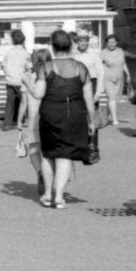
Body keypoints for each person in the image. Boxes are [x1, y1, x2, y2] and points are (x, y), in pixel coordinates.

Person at [28, 29, 95, 209]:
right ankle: (59, 197)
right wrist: (92, 120)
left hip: (51, 113)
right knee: (65, 155)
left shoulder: (46, 67)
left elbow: (39, 93)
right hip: (74, 113)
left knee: (49, 153)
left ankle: (48, 194)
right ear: (71, 45)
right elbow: (89, 97)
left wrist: (28, 83)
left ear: (53, 46)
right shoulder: (81, 68)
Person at [19, 48, 55, 192]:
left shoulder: (29, 77)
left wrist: (19, 122)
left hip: (34, 119)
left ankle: (40, 172)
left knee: (34, 150)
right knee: (49, 151)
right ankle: (51, 179)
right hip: (51, 118)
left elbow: (23, 102)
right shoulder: (53, 77)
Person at [72, 30, 105, 161]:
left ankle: (93, 149)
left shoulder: (94, 54)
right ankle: (79, 149)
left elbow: (101, 73)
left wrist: (98, 93)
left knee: (92, 119)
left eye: (86, 40)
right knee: (77, 119)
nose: (84, 42)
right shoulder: (73, 54)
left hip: (92, 85)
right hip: (77, 87)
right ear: (77, 41)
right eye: (81, 40)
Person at [1, 29, 29, 130]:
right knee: (24, 101)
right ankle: (22, 121)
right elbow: (28, 68)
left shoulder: (9, 53)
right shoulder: (26, 54)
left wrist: (8, 74)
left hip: (9, 81)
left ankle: (7, 124)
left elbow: (3, 66)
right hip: (20, 81)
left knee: (10, 102)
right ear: (23, 40)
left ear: (13, 41)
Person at [100, 34, 129, 125]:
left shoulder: (120, 51)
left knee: (115, 98)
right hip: (108, 78)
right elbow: (99, 66)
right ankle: (115, 119)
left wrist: (128, 74)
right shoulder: (103, 52)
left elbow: (123, 63)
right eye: (109, 42)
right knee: (111, 97)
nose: (111, 44)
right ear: (106, 43)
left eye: (113, 42)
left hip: (119, 77)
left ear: (116, 42)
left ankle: (108, 115)